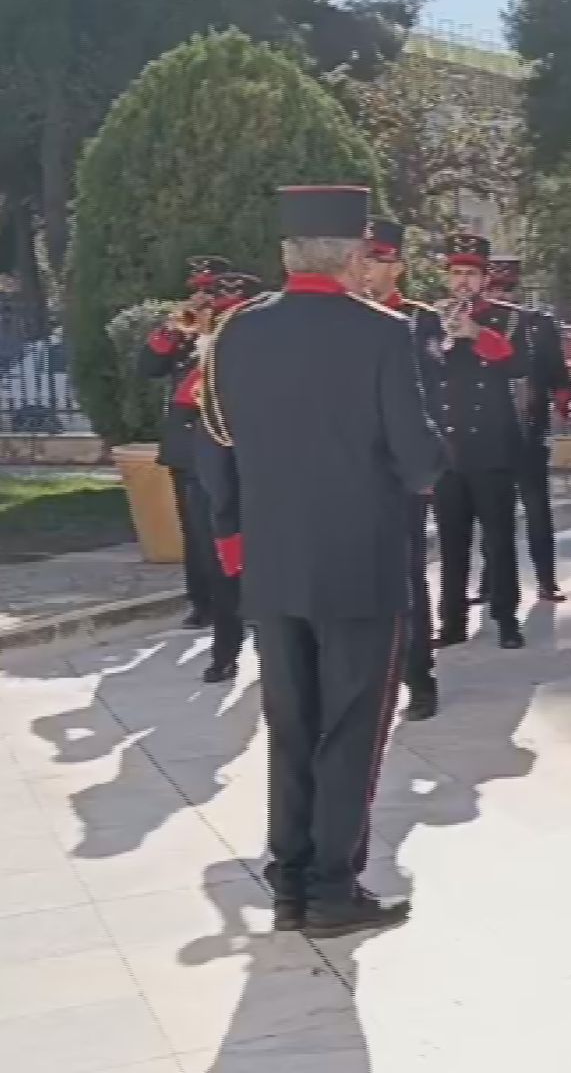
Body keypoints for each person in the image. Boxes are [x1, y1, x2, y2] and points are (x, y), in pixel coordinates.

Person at [196, 184, 445, 938]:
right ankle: (332, 887)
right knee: (353, 726)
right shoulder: (383, 333)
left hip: (274, 558)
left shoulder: (238, 331)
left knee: (291, 723)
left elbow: (218, 444)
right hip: (360, 560)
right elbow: (419, 461)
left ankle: (290, 880)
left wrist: (233, 532)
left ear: (287, 253)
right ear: (354, 255)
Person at [363, 218, 447, 721]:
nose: (368, 269)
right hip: (349, 469)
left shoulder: (419, 320)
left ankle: (420, 677)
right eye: (364, 258)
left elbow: (429, 399)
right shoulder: (343, 316)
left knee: (407, 575)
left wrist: (422, 468)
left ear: (397, 267)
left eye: (378, 260)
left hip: (397, 472)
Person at [433, 233, 531, 650]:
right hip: (448, 448)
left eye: (471, 274)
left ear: (484, 278)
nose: (463, 281)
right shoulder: (431, 317)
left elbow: (519, 365)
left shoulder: (507, 319)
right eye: (457, 273)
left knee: (499, 539)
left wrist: (476, 332)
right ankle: (451, 620)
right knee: (451, 542)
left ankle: (506, 617)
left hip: (492, 446)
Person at [141, 254, 228, 630]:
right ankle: (202, 602)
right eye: (196, 293)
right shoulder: (184, 332)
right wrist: (172, 330)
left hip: (224, 441)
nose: (201, 301)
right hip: (186, 446)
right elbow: (148, 368)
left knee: (227, 525)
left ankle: (236, 602)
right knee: (194, 530)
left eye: (209, 293)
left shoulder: (235, 330)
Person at [187, 270, 265, 685]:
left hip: (259, 487)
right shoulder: (207, 363)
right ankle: (225, 653)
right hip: (215, 485)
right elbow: (189, 401)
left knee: (265, 576)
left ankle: (271, 651)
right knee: (222, 574)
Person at [482, 256, 571, 603]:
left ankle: (546, 580)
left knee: (536, 508)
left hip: (529, 429)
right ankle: (490, 583)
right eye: (495, 288)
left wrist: (561, 406)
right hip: (491, 433)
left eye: (507, 288)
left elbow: (558, 372)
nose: (501, 295)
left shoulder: (537, 324)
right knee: (492, 512)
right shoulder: (476, 322)